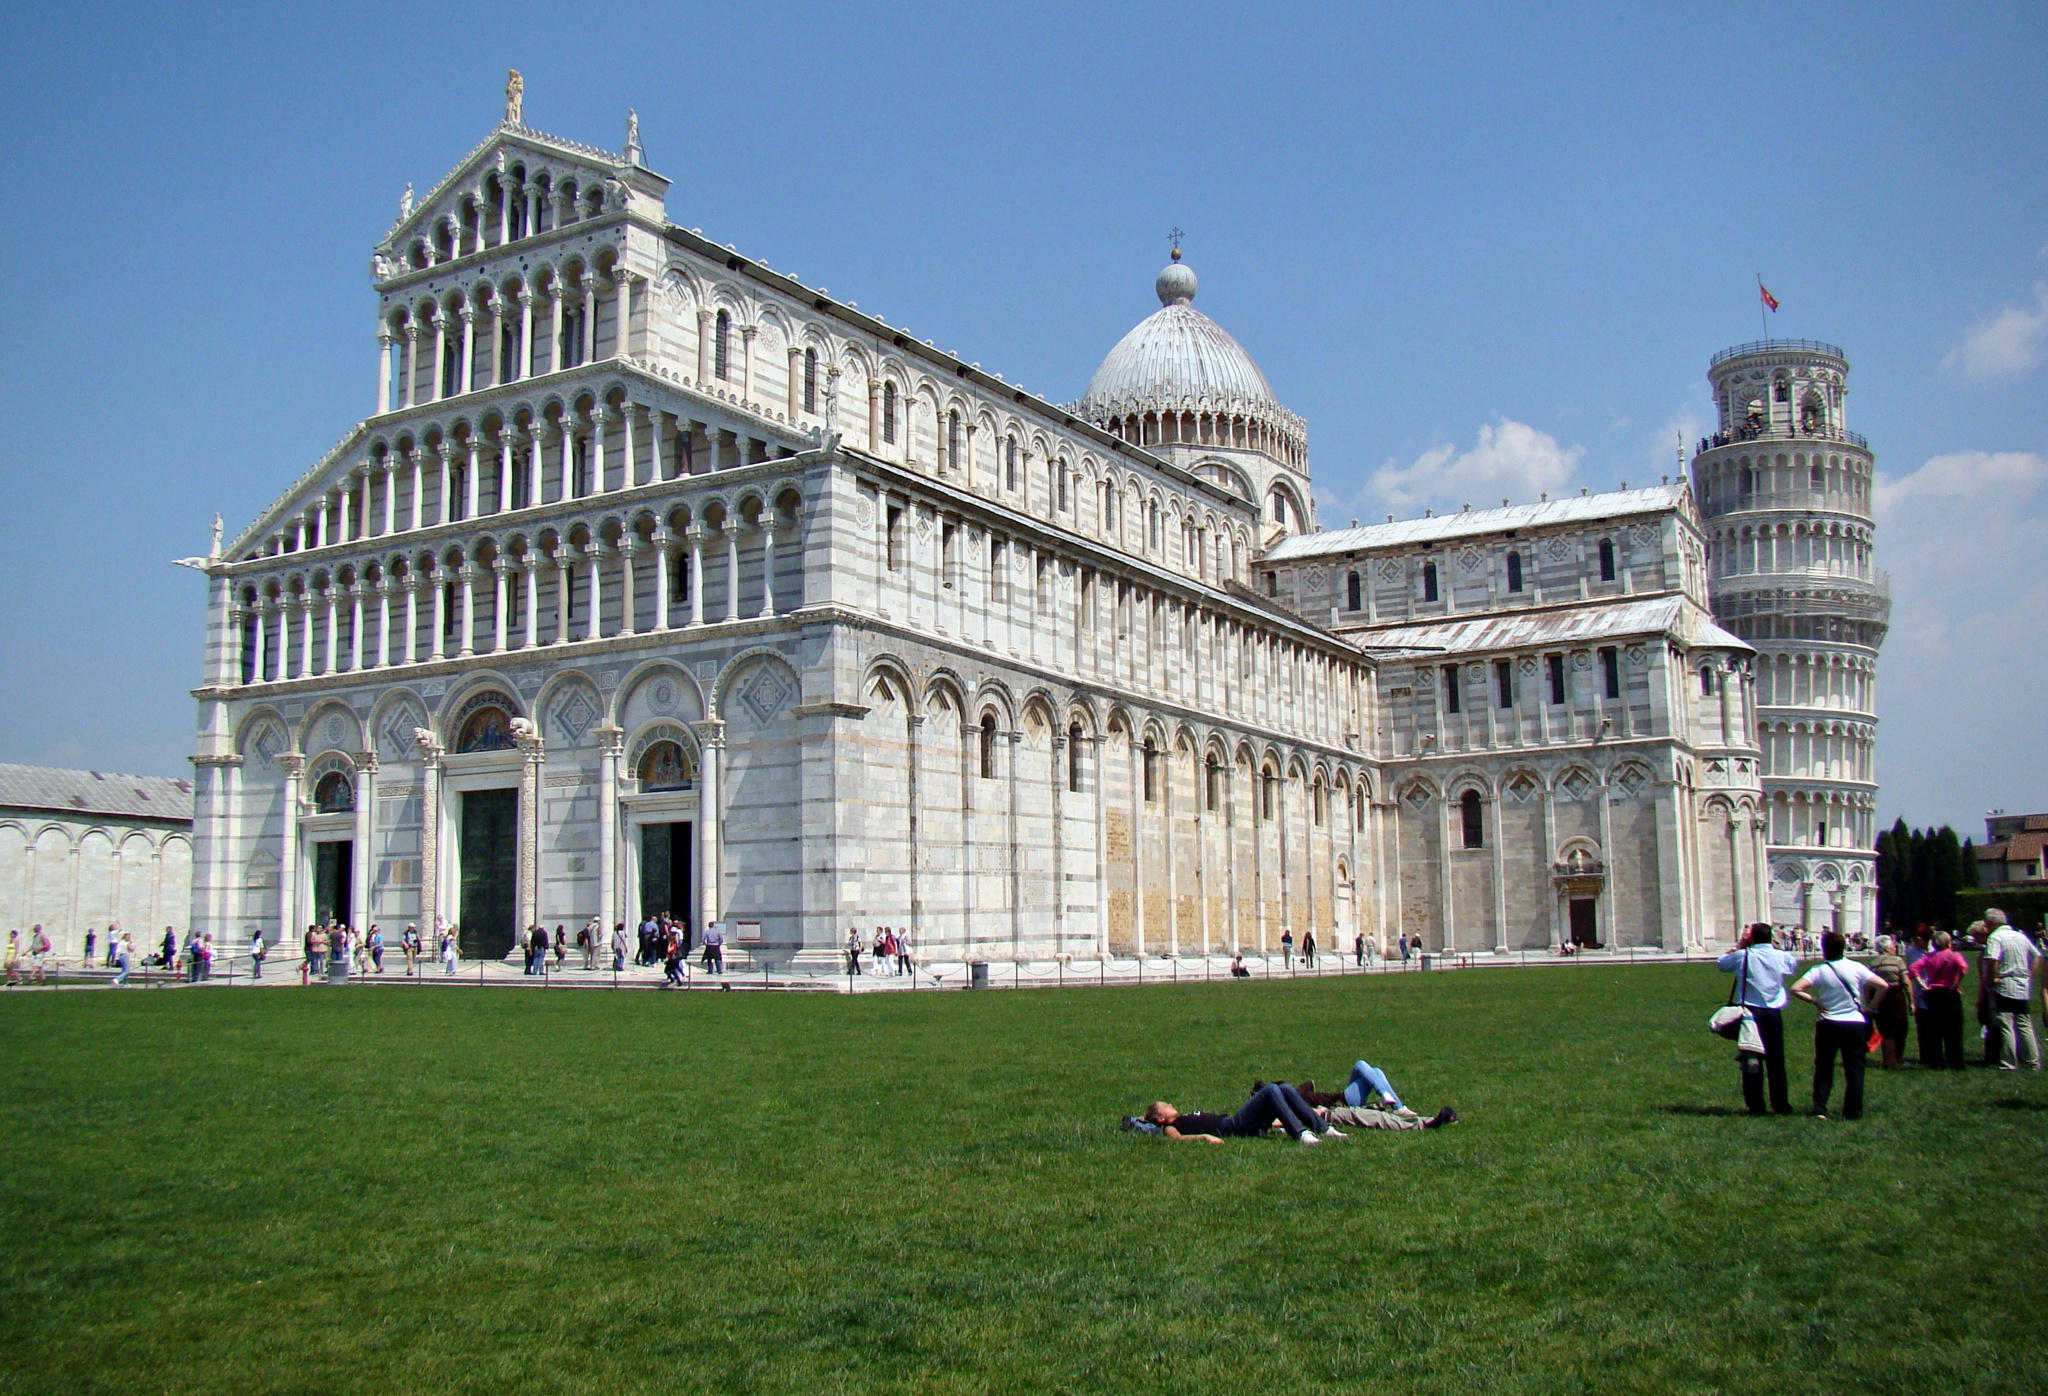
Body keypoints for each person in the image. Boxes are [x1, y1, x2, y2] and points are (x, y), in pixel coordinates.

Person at [1789, 931, 1887, 1120]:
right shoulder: (1856, 967)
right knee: (1854, 1069)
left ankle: (1820, 1108)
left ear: (1824, 949)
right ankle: (1852, 1111)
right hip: (1854, 1023)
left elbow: (1795, 988)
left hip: (1828, 1022)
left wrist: (1815, 1000)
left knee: (1824, 1066)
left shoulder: (1819, 970)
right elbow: (1883, 985)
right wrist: (1872, 1007)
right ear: (1843, 948)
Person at [1716, 923, 1802, 1116]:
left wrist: (1740, 945)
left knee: (1752, 1058)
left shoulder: (1743, 956)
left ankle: (1755, 1105)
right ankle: (1780, 1104)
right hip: (1773, 1012)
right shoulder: (1781, 956)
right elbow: (1792, 965)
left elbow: (1721, 963)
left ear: (1751, 938)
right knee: (1776, 1061)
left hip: (1750, 1013)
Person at [1142, 1083, 1341, 1145]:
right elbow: (1178, 1139)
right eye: (1164, 1106)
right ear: (1160, 1118)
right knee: (1271, 1090)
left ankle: (1323, 1128)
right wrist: (1204, 1137)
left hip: (1241, 1124)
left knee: (1287, 1089)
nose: (1169, 1104)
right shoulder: (1170, 1127)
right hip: (1234, 1126)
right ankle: (1301, 1134)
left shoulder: (1181, 1118)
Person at [1980, 909, 2042, 1071]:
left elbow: (1992, 959)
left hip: (2005, 984)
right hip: (2022, 985)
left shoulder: (1996, 937)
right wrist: (2030, 976)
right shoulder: (2020, 936)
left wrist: (1991, 979)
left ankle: (2009, 1062)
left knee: (2006, 1024)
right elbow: (2037, 956)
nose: (1985, 926)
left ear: (1993, 923)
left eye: (1986, 923)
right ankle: (2032, 1061)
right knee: (2024, 1023)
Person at [1909, 930, 1968, 1070]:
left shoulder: (1929, 957)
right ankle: (1955, 1061)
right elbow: (1963, 968)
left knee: (1934, 1030)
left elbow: (1913, 969)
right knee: (1954, 1030)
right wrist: (1956, 983)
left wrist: (1923, 984)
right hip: (1949, 992)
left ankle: (1936, 1061)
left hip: (1933, 993)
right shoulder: (1954, 955)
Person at [1868, 936, 1912, 1069]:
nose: (1895, 948)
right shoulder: (1898, 961)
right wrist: (1911, 1001)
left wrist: (1870, 1002)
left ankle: (1888, 1060)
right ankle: (1897, 1058)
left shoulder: (1873, 963)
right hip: (1895, 997)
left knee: (1885, 1030)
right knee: (1900, 1028)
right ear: (1886, 948)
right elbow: (1905, 981)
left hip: (1880, 997)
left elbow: (1869, 984)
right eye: (1893, 946)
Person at [1902, 925, 1936, 1067]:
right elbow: (1910, 973)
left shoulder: (1936, 949)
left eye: (1917, 939)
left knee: (1935, 1026)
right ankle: (1925, 1056)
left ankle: (1935, 1055)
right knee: (1923, 1026)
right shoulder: (1911, 952)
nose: (1915, 942)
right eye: (1914, 939)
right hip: (1920, 991)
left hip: (1935, 989)